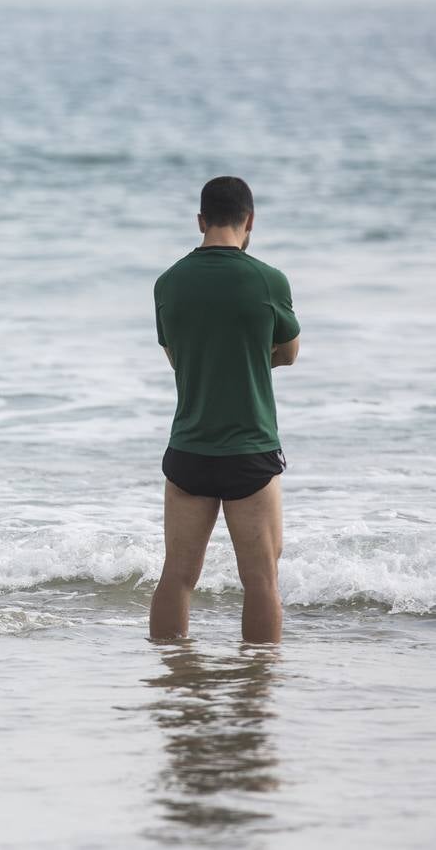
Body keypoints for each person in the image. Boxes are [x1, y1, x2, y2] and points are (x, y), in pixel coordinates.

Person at [150, 176, 300, 643]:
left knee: (177, 576)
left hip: (189, 449)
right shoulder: (268, 279)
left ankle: (172, 685)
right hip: (249, 450)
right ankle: (254, 694)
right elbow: (289, 353)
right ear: (249, 220)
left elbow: (176, 356)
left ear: (200, 220)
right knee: (260, 581)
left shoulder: (169, 282)